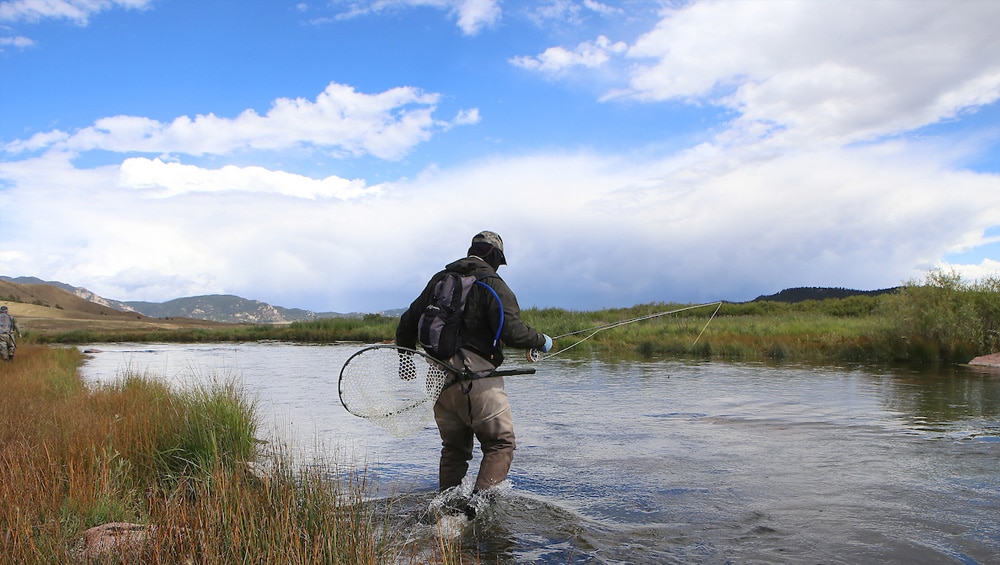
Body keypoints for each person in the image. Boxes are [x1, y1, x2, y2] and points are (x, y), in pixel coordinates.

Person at [396, 231, 553, 500]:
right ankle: (476, 510)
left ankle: (446, 507)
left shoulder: (439, 279)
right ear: (494, 256)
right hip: (475, 378)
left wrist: (406, 362)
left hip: (437, 379)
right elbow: (512, 332)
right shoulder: (493, 283)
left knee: (454, 449)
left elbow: (407, 322)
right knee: (500, 443)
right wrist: (542, 341)